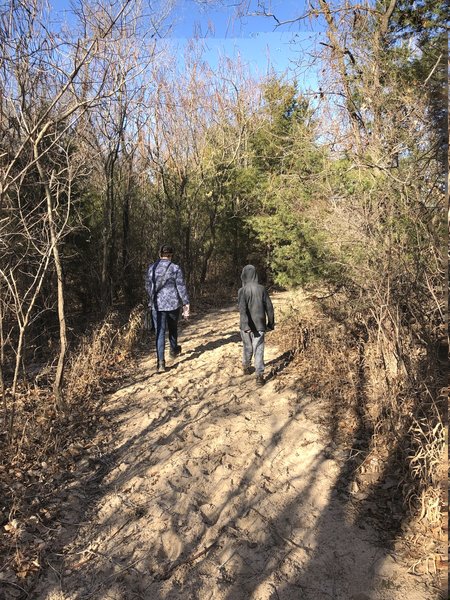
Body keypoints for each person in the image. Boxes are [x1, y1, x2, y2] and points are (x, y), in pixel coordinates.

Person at [145, 244, 190, 373]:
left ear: (160, 254)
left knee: (159, 333)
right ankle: (173, 349)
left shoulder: (151, 268)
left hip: (156, 306)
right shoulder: (175, 268)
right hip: (173, 304)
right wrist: (186, 304)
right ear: (171, 255)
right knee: (173, 328)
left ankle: (160, 363)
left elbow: (147, 286)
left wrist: (154, 297)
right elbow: (181, 287)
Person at [238, 264, 275, 387]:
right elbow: (269, 307)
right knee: (258, 349)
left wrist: (246, 325)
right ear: (255, 275)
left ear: (243, 276)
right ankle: (259, 376)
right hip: (260, 324)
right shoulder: (262, 289)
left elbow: (242, 310)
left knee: (247, 347)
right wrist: (271, 323)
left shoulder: (241, 291)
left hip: (245, 326)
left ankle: (246, 366)